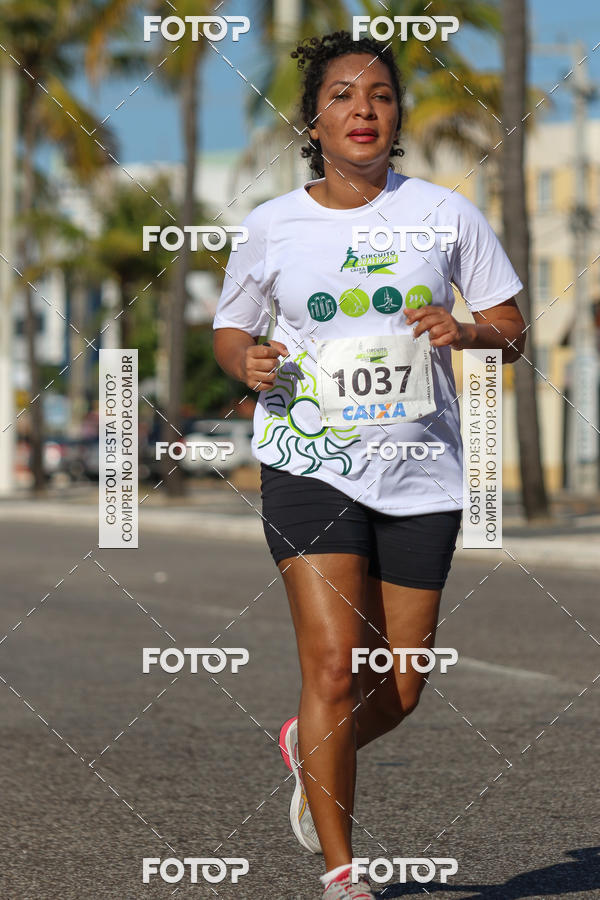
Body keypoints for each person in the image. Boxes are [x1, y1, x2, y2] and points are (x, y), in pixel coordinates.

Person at [212, 29, 525, 899]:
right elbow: (230, 328)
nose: (363, 109)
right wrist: (247, 363)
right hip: (308, 457)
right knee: (332, 664)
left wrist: (463, 329)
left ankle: (308, 748)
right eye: (344, 94)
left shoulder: (447, 213)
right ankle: (342, 871)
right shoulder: (274, 225)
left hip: (420, 472)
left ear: (397, 117)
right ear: (314, 116)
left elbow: (510, 326)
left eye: (380, 96)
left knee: (404, 686)